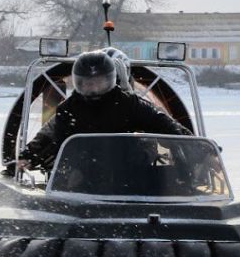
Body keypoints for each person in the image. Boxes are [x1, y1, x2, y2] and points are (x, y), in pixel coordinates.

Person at [16, 50, 190, 173]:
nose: (93, 88)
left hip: (130, 172)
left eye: (99, 82)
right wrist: (28, 157)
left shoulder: (129, 103)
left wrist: (195, 148)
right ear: (78, 83)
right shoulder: (69, 108)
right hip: (83, 173)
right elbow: (50, 136)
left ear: (111, 80)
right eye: (87, 83)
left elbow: (163, 123)